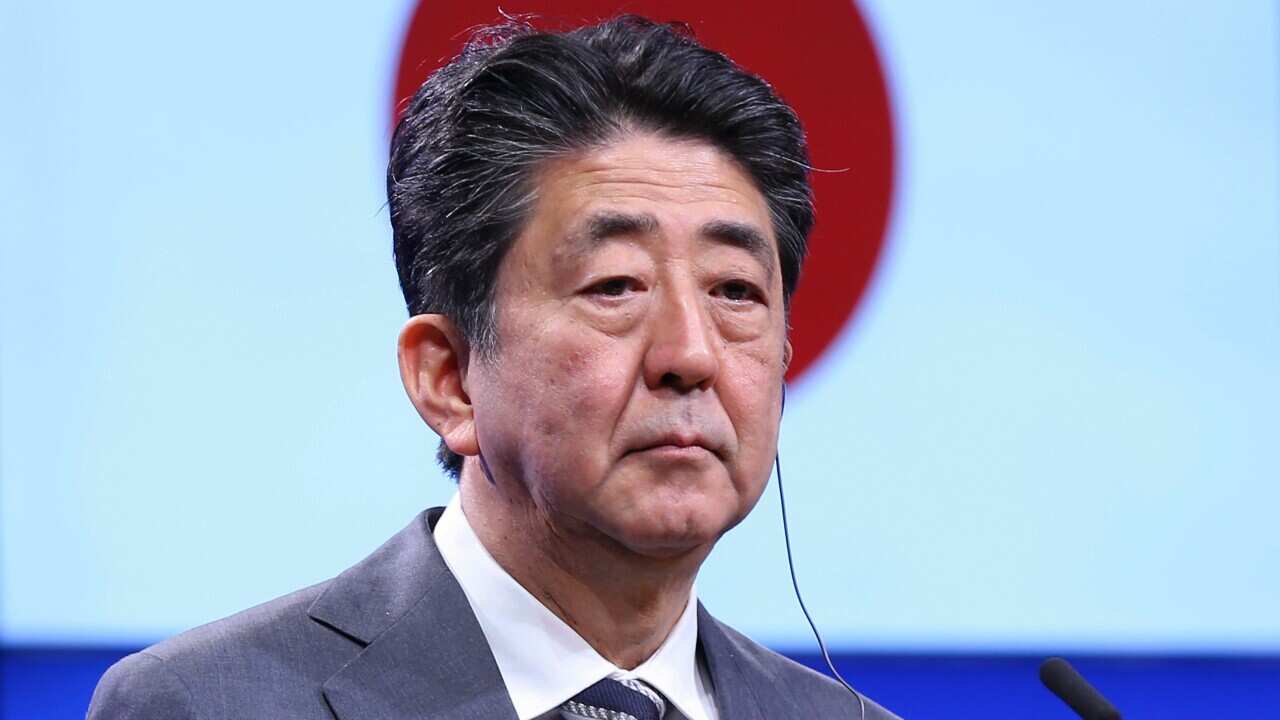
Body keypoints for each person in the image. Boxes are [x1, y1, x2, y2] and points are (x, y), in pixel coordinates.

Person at [88, 15, 898, 720]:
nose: (690, 354)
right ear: (448, 378)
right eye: (615, 285)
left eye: (734, 290)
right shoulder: (209, 703)